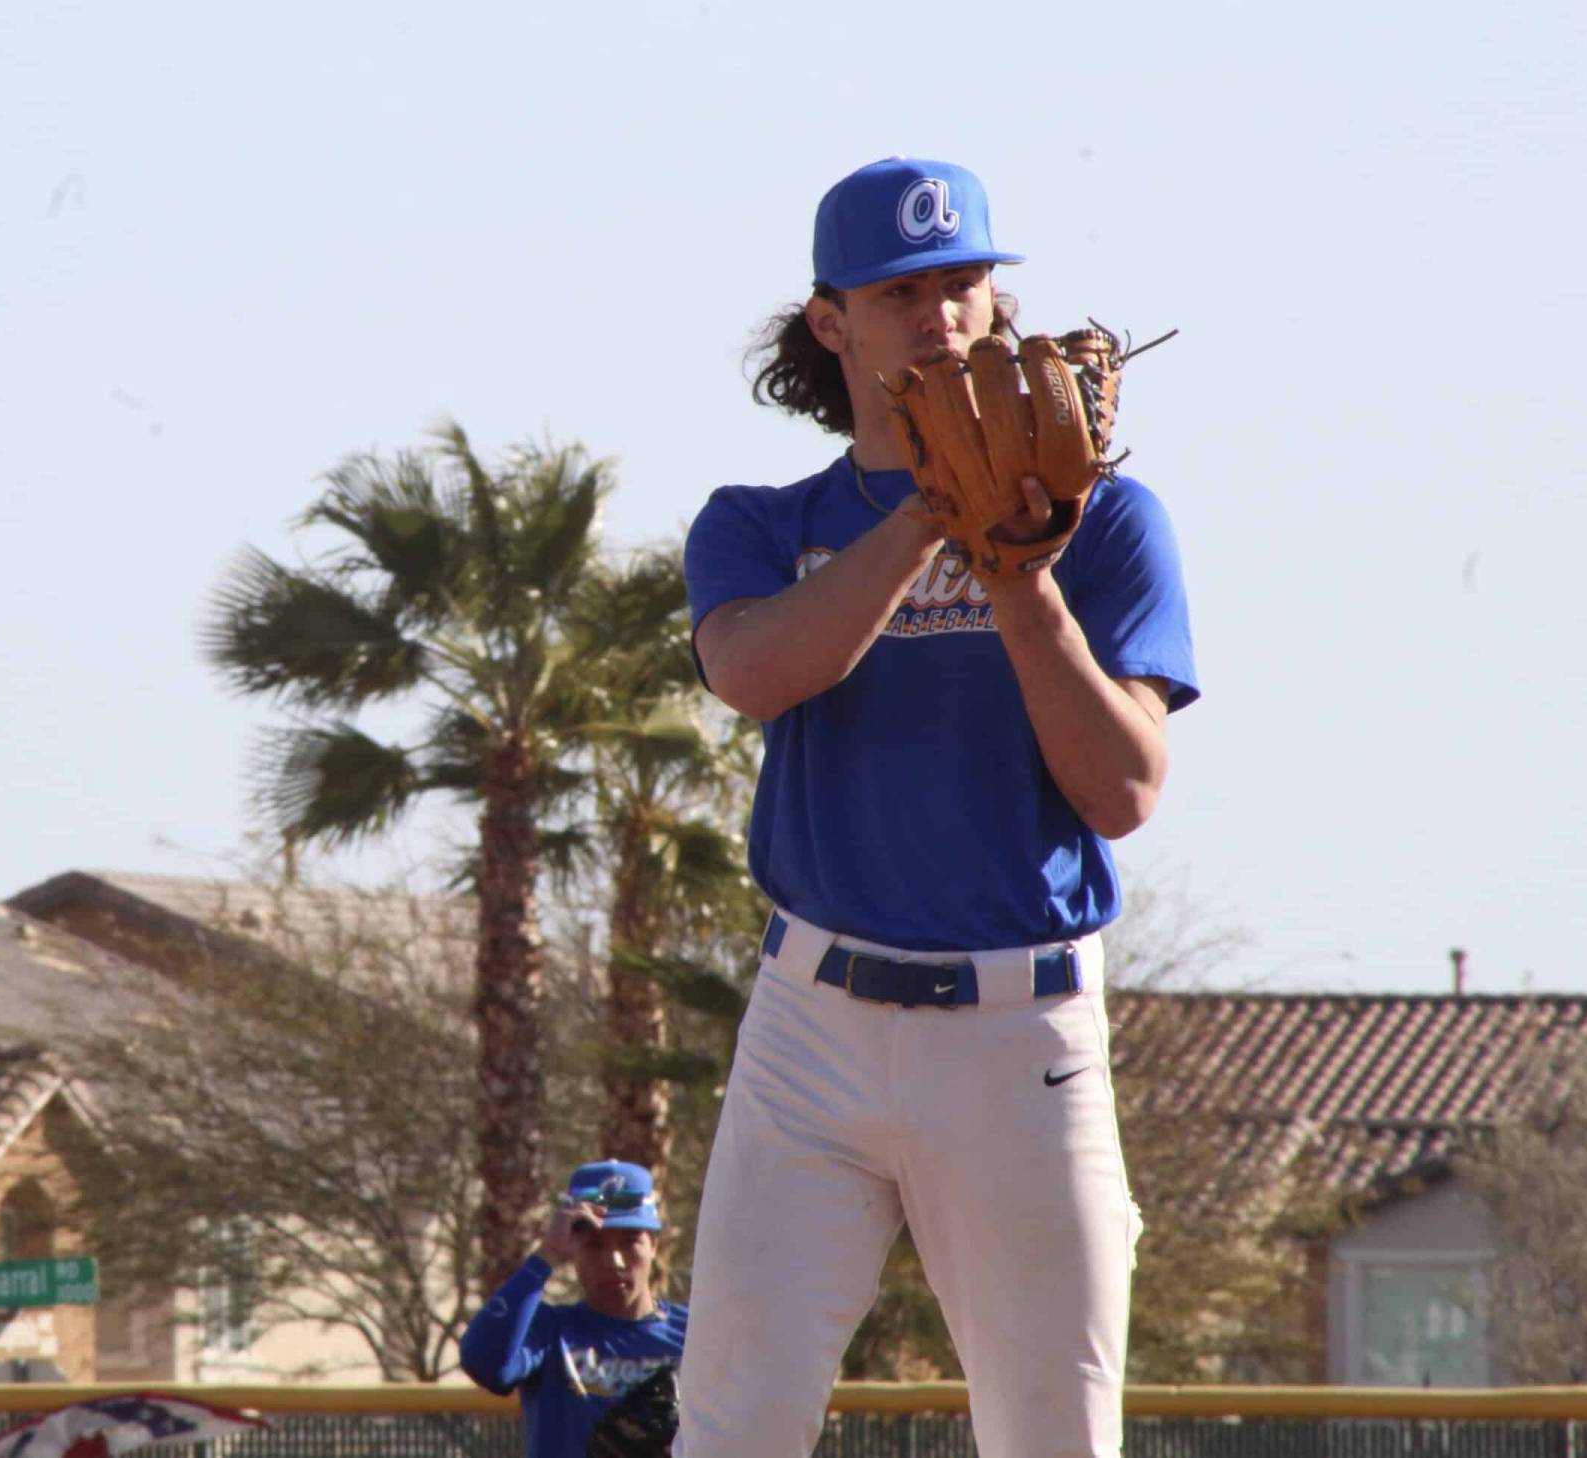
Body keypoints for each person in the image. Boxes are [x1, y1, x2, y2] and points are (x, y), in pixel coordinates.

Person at [674, 157, 1200, 1458]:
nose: (943, 313)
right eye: (903, 290)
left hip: (1020, 1030)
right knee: (732, 1425)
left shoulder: (1109, 519)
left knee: (1054, 1439)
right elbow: (753, 671)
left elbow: (1122, 789)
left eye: (966, 281)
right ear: (831, 321)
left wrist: (1022, 574)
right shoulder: (762, 521)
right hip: (811, 1025)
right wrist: (927, 511)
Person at [460, 1159, 687, 1458]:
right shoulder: (550, 1331)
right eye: (594, 1245)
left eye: (630, 1242)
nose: (614, 1261)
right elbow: (483, 1363)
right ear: (573, 1249)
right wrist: (545, 1256)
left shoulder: (694, 1334)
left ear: (654, 1245)